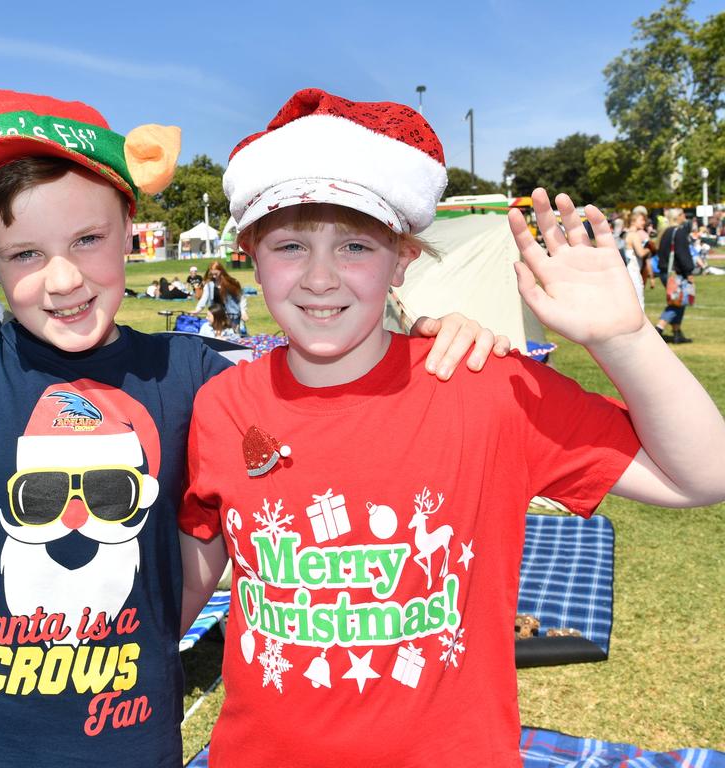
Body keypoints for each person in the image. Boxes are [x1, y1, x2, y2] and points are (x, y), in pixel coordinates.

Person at [0, 60, 506, 767]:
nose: (62, 278)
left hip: (129, 744)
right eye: (24, 254)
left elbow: (328, 370)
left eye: (88, 239)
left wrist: (421, 332)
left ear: (130, 229)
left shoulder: (191, 374)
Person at [177, 89, 725, 768]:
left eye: (354, 245)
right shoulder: (220, 405)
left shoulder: (484, 385)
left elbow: (703, 475)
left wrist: (627, 338)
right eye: (290, 245)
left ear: (403, 258)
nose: (320, 277)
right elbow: (183, 590)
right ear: (251, 256)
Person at [654, 209, 694, 344]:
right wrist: (689, 272)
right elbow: (683, 254)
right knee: (677, 302)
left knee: (679, 302)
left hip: (666, 272)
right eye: (683, 214)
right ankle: (658, 329)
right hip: (676, 273)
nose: (685, 216)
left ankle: (677, 333)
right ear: (677, 217)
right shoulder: (679, 232)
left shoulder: (666, 232)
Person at [195, 260, 247, 332]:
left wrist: (243, 312)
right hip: (217, 317)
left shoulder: (232, 283)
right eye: (212, 274)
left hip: (232, 316)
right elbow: (203, 299)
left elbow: (241, 298)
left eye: (216, 274)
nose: (214, 276)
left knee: (233, 337)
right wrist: (197, 310)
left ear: (221, 271)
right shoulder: (209, 285)